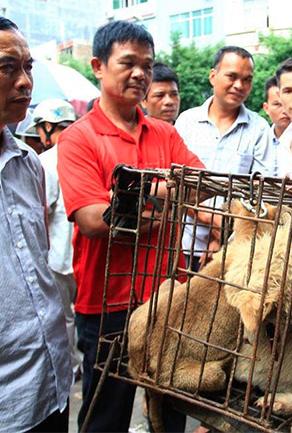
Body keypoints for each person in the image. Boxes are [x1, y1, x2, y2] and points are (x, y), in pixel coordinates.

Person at [57, 20, 204, 432]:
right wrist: (164, 192)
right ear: (98, 66)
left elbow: (200, 186)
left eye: (148, 65)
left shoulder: (164, 134)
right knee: (106, 415)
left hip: (166, 295)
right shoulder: (78, 139)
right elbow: (90, 218)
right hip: (108, 301)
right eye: (128, 63)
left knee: (168, 411)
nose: (140, 74)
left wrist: (128, 200)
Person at [0, 9, 71, 431]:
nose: (26, 82)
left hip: (52, 389)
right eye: (7, 68)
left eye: (27, 67)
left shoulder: (29, 163)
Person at [175, 46, 273, 272]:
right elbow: (177, 183)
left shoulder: (259, 129)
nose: (239, 85)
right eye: (232, 76)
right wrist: (211, 222)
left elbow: (260, 191)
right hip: (182, 244)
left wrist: (223, 234)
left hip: (234, 251)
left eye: (247, 79)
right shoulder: (187, 122)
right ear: (213, 76)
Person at [28, 98, 83, 380]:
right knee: (82, 314)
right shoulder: (85, 153)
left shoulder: (45, 162)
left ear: (48, 127)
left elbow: (41, 214)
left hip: (59, 257)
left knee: (65, 317)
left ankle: (72, 368)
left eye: (40, 128)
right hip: (85, 253)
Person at [263, 75, 291, 173]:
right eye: (277, 104)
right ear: (266, 108)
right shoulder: (258, 140)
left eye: (287, 104)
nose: (284, 110)